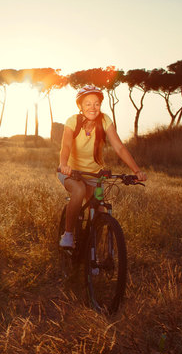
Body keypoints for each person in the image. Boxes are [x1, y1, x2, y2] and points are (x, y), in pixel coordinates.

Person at [57, 85, 147, 248]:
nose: (93, 107)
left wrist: (136, 170)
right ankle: (68, 233)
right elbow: (66, 146)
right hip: (72, 172)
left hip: (94, 174)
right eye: (88, 103)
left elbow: (119, 147)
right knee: (79, 191)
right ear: (80, 106)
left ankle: (92, 255)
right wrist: (64, 165)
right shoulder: (73, 121)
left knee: (100, 212)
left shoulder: (105, 120)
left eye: (96, 103)